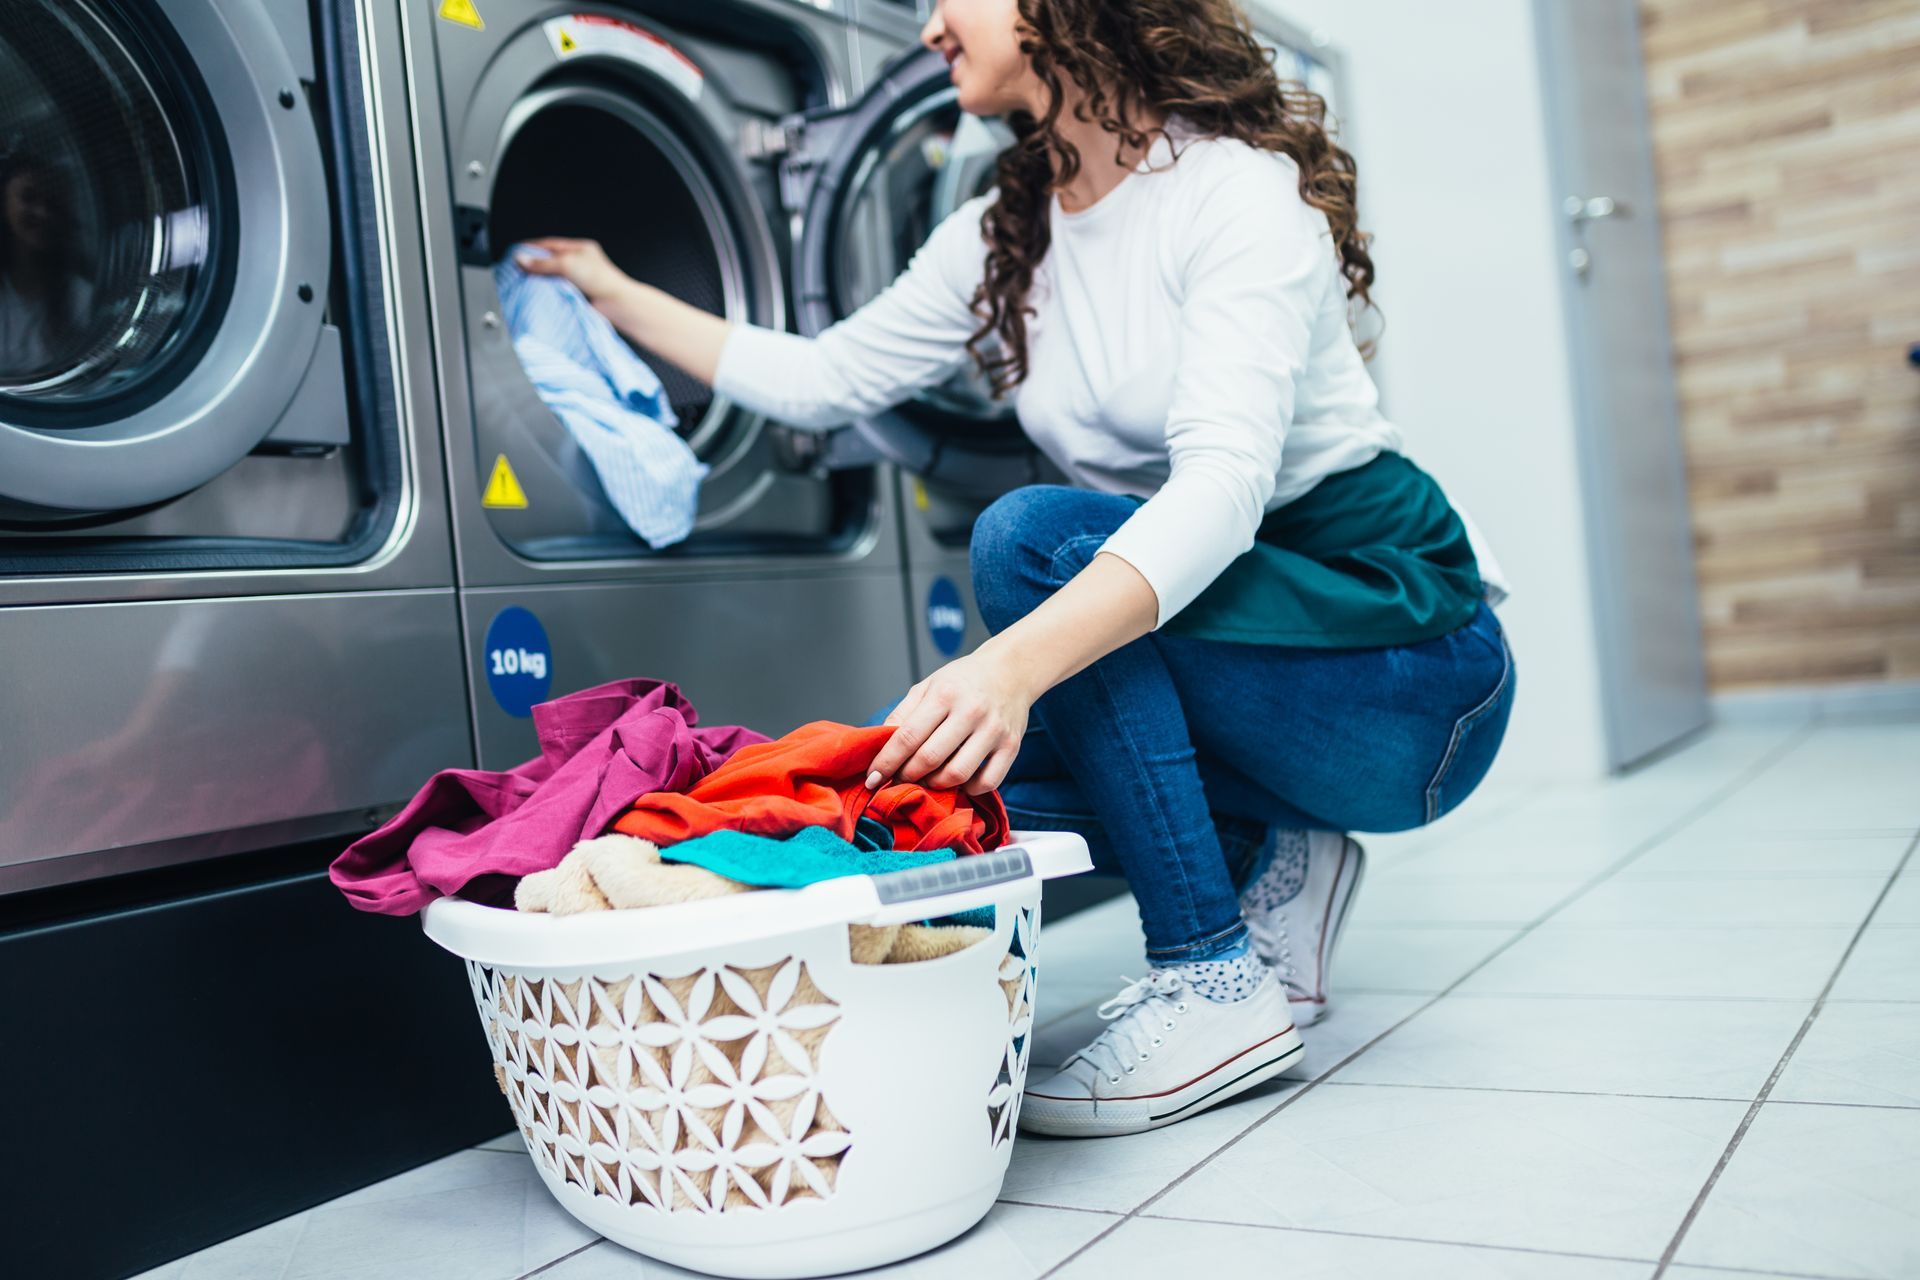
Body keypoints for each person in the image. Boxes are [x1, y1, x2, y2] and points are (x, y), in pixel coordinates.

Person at [520, 0, 1515, 1137]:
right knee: (912, 771)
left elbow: (1223, 489)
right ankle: (1269, 850)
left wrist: (1007, 670)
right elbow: (821, 378)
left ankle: (1212, 979)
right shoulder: (1011, 228)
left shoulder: (1233, 190)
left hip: (1409, 666)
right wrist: (611, 285)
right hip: (1240, 653)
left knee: (1026, 541)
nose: (932, 24)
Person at [0, 149, 94, 382]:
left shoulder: (79, 296)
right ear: (3, 205)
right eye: (28, 197)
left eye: (51, 203)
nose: (42, 212)